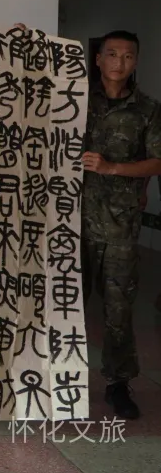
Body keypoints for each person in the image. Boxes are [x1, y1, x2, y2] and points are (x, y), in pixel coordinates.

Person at [80, 30, 161, 420]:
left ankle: (118, 383)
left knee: (118, 309)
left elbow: (158, 161)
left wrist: (113, 168)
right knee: (64, 304)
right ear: (98, 59)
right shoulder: (74, 100)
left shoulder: (148, 109)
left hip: (120, 226)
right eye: (111, 54)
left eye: (128, 56)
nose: (119, 62)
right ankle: (58, 379)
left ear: (136, 62)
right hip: (70, 224)